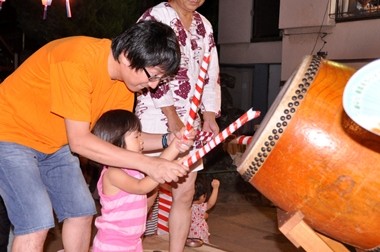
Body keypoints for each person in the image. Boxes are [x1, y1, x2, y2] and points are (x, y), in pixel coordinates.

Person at [0, 20, 194, 252]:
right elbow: (80, 141)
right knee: (36, 219)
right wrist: (150, 164)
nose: (152, 86)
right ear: (127, 55)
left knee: (81, 211)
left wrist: (167, 140)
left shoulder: (124, 85)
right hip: (9, 133)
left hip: (55, 144)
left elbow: (121, 137)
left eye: (158, 80)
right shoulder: (76, 59)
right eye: (151, 76)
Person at [135, 1, 221, 251]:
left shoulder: (204, 25)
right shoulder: (154, 16)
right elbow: (146, 66)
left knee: (185, 193)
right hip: (155, 115)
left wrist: (210, 114)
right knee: (147, 191)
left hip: (191, 120)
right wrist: (171, 114)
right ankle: (130, 244)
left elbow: (210, 71)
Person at [91, 109, 186, 252]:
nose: (142, 141)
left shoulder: (133, 168)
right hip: (112, 243)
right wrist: (166, 170)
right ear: (117, 142)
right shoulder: (112, 173)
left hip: (133, 241)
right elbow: (141, 187)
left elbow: (160, 162)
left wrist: (177, 144)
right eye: (136, 136)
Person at [188, 176, 220, 244]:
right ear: (203, 196)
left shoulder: (185, 206)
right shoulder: (200, 207)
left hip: (187, 234)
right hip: (200, 235)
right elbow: (211, 203)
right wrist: (215, 188)